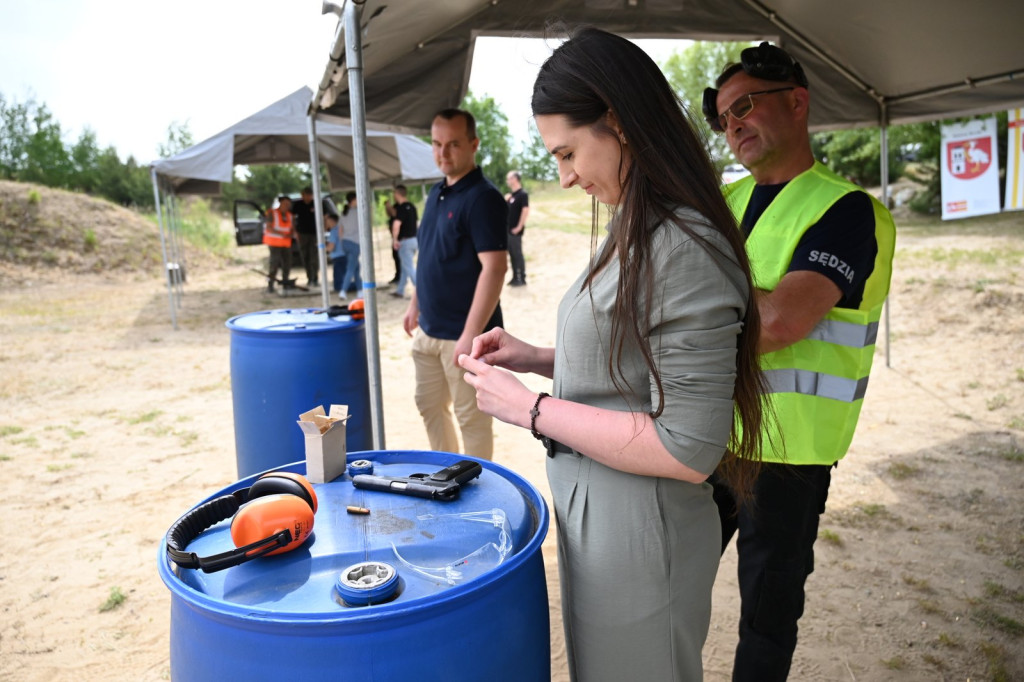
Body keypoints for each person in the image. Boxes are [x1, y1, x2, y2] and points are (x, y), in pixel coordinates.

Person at [457, 28, 766, 681]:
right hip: (603, 514)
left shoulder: (683, 244)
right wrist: (536, 355)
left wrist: (532, 410)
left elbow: (687, 446)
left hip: (640, 528)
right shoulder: (636, 221)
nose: (564, 177)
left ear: (618, 123)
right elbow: (630, 360)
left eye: (569, 153)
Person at [701, 42, 896, 681]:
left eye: (746, 105)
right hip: (708, 434)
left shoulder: (847, 211)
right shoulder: (724, 203)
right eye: (724, 116)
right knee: (670, 577)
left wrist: (692, 302)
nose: (733, 124)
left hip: (789, 456)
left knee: (766, 614)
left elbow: (781, 321)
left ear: (798, 103)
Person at [402, 108, 508, 460]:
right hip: (428, 331)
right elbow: (430, 254)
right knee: (429, 407)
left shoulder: (483, 198)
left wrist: (469, 333)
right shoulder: (435, 193)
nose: (442, 153)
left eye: (453, 145)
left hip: (464, 337)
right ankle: (447, 473)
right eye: (436, 144)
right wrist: (415, 304)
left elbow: (495, 268)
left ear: (474, 144)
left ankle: (480, 490)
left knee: (472, 419)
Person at [390, 184, 418, 299]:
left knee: (409, 267)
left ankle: (421, 290)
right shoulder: (412, 207)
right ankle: (400, 290)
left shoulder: (401, 208)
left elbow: (396, 224)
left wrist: (394, 239)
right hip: (414, 240)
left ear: (397, 194)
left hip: (405, 241)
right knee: (405, 266)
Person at [263, 195, 293, 293]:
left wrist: (291, 234)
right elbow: (269, 227)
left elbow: (291, 228)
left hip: (286, 244)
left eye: (288, 204)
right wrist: (282, 234)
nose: (287, 206)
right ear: (280, 203)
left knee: (287, 264)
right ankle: (270, 285)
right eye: (285, 203)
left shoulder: (289, 215)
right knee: (274, 264)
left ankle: (285, 283)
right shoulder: (272, 213)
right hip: (274, 243)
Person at [504, 171, 530, 286]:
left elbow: (525, 210)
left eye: (508, 178)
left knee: (517, 254)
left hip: (515, 231)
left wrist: (519, 227)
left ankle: (522, 278)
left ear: (515, 179)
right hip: (508, 230)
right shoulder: (511, 195)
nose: (507, 181)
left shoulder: (522, 194)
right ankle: (515, 277)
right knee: (512, 255)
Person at [333, 192, 359, 300]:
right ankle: (343, 291)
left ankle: (360, 290)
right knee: (351, 268)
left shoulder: (343, 214)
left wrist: (342, 241)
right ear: (353, 200)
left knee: (357, 266)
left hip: (345, 243)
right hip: (354, 243)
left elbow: (340, 231)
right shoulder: (357, 213)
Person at [292, 186, 319, 287]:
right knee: (305, 256)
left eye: (310, 195)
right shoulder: (298, 205)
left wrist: (323, 231)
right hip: (302, 234)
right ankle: (309, 278)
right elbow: (293, 219)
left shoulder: (316, 204)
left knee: (314, 257)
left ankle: (315, 278)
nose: (308, 197)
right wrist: (295, 232)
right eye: (306, 195)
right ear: (302, 195)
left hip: (314, 234)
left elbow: (324, 217)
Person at [324, 208, 344, 299]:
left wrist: (324, 249)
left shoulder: (333, 231)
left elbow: (331, 247)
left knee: (338, 285)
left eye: (326, 221)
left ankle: (359, 285)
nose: (325, 223)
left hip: (338, 257)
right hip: (343, 255)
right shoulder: (341, 228)